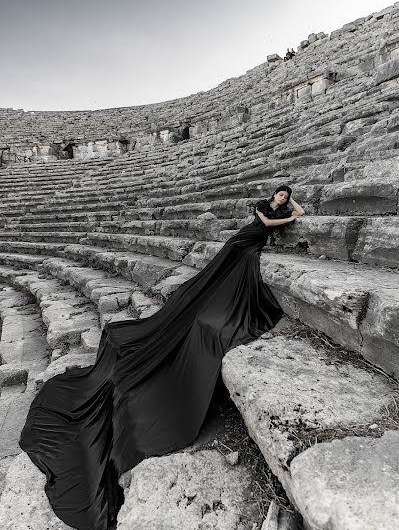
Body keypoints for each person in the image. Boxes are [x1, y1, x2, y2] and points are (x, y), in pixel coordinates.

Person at [19, 185, 305, 530]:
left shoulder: (282, 208)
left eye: (284, 196)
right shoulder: (264, 208)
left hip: (251, 252)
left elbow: (296, 216)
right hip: (242, 243)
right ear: (272, 196)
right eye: (278, 195)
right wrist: (283, 210)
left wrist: (291, 204)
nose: (280, 199)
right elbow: (268, 223)